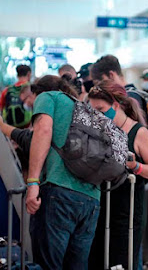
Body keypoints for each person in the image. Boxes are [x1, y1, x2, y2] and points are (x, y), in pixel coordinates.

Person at [26, 75, 100, 270]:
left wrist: (32, 182)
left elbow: (42, 130)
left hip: (59, 194)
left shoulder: (48, 97)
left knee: (49, 265)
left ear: (38, 91)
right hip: (91, 199)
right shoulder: (83, 107)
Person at [87, 81, 148, 270]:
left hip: (127, 211)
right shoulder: (99, 130)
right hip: (100, 208)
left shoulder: (139, 133)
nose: (96, 115)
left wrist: (136, 166)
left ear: (115, 105)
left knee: (121, 262)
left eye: (100, 109)